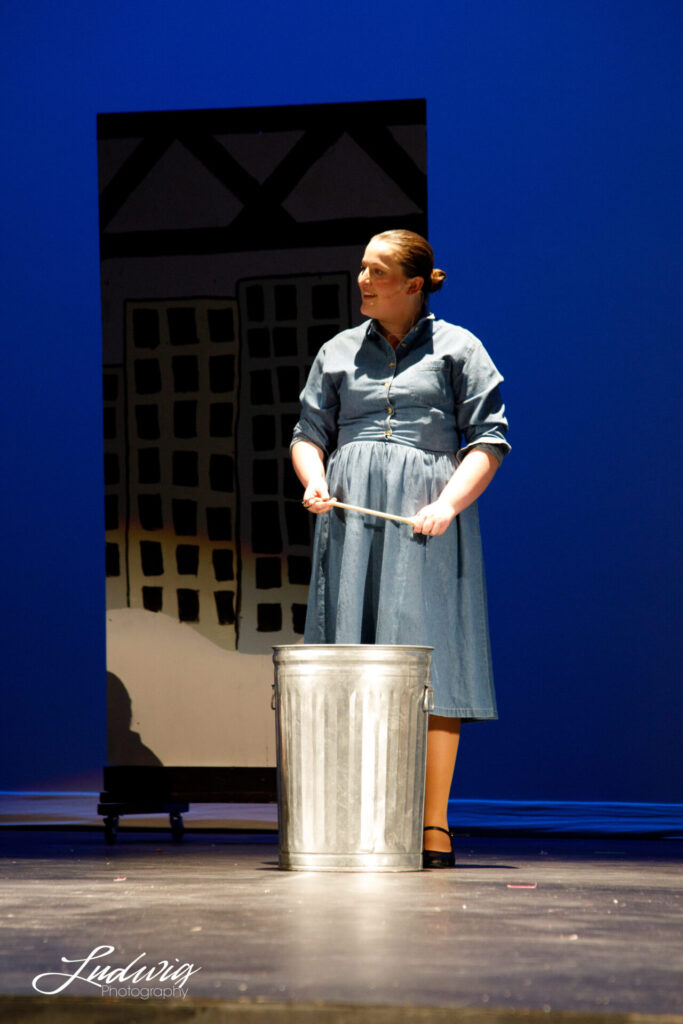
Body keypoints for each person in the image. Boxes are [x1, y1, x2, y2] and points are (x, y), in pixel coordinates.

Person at [290, 229, 510, 867]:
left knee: (431, 663)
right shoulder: (337, 351)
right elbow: (309, 432)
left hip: (424, 519)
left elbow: (488, 441)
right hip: (351, 518)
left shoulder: (458, 348)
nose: (362, 279)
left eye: (377, 271)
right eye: (361, 267)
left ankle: (432, 824)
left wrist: (447, 503)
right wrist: (316, 479)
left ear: (414, 284)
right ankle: (354, 821)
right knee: (348, 664)